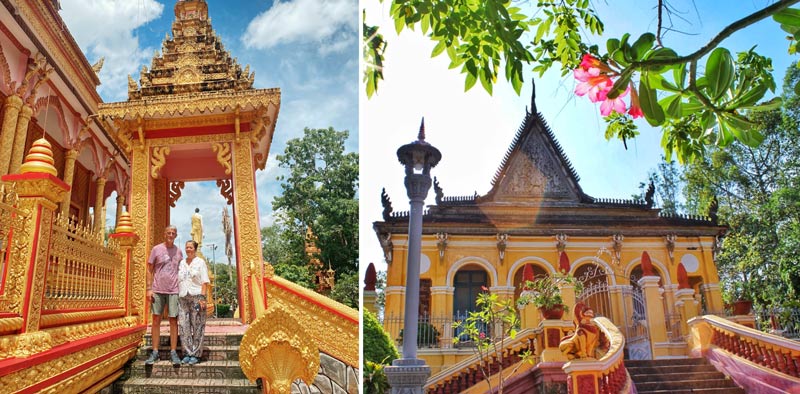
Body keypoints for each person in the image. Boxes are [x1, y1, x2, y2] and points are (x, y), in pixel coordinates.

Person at [145, 225, 183, 366]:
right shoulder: (156, 249)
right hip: (158, 289)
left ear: (176, 235)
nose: (171, 235)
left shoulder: (179, 252)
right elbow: (149, 269)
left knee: (173, 320)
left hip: (174, 290)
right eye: (168, 232)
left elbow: (181, 271)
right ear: (164, 234)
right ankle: (155, 351)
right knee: (156, 320)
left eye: (173, 233)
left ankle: (173, 351)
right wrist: (149, 289)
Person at [178, 240, 210, 364]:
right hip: (183, 298)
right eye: (187, 247)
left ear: (195, 249)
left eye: (190, 247)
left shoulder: (200, 263)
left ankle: (196, 354)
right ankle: (187, 352)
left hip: (197, 297)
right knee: (184, 325)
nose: (188, 249)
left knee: (197, 325)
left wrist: (202, 298)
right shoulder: (182, 263)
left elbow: (204, 281)